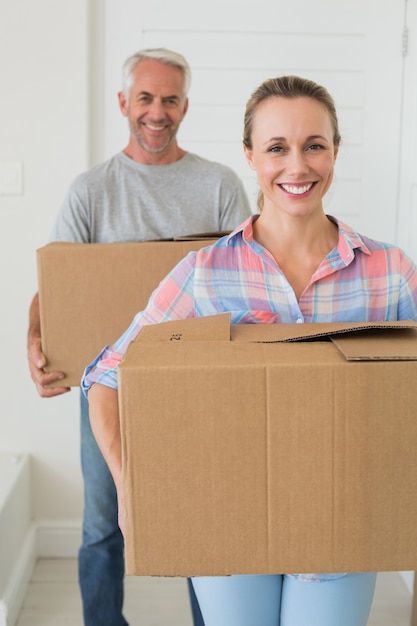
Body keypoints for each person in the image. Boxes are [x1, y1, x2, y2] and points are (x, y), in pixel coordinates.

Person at [81, 73, 417, 626]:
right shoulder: (205, 274)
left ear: (336, 151)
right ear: (250, 156)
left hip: (343, 517)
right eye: (276, 148)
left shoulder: (389, 274)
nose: (297, 167)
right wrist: (130, 485)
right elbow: (110, 373)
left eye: (314, 146)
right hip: (225, 518)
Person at [27, 47, 251, 626]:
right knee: (103, 524)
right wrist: (35, 340)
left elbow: (250, 281)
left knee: (203, 520)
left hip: (195, 385)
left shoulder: (219, 185)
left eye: (170, 99)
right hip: (107, 385)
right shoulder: (91, 191)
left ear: (185, 106)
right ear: (125, 103)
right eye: (146, 98)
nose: (158, 112)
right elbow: (56, 286)